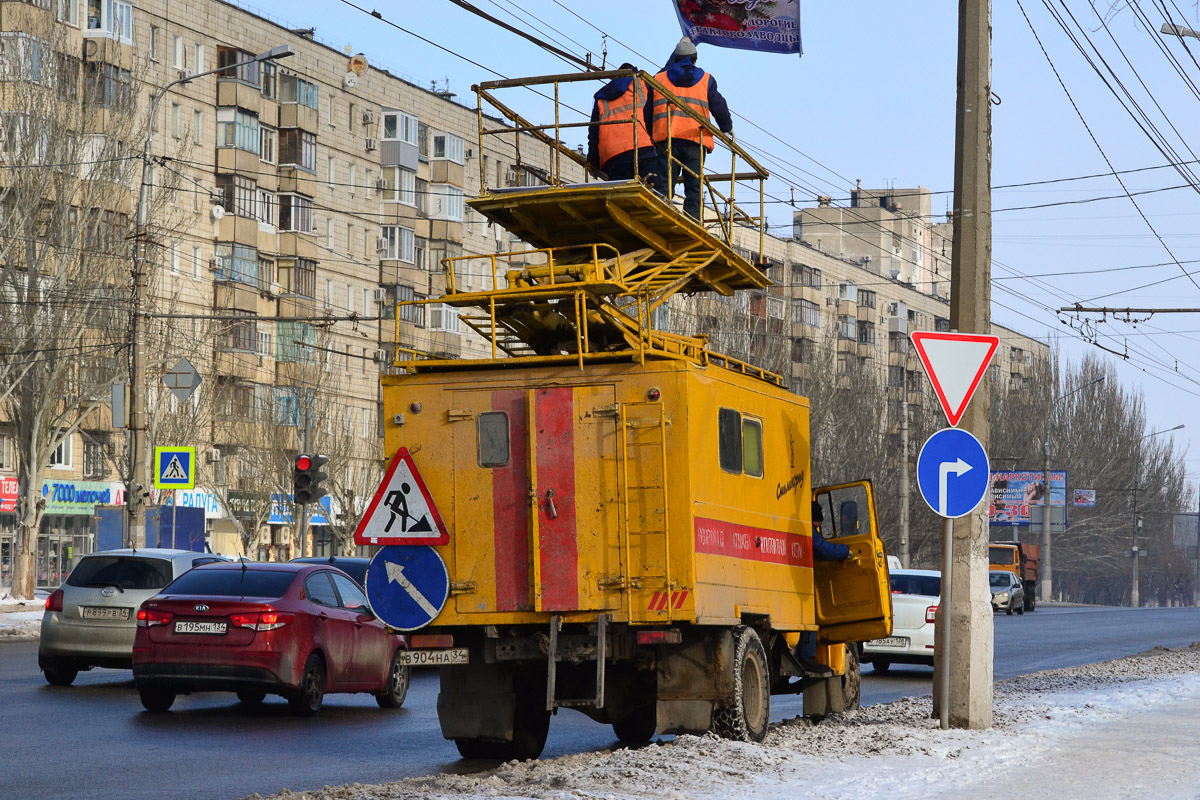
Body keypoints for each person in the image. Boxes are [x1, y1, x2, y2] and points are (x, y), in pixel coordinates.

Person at [645, 37, 734, 220]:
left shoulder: (659, 79)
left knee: (664, 185)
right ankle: (693, 219)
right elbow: (718, 105)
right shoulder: (706, 80)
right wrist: (727, 127)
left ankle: (662, 218)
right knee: (694, 186)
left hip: (667, 140)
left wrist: (652, 134)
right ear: (695, 59)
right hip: (696, 140)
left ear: (675, 59)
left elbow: (648, 112)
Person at [793, 500, 853, 678]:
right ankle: (807, 656)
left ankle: (808, 654)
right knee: (810, 614)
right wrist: (845, 551)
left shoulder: (801, 525)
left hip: (798, 578)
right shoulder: (806, 527)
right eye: (817, 522)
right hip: (799, 581)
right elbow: (821, 548)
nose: (819, 526)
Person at [586, 64, 661, 184]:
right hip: (644, 151)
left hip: (614, 158)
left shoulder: (601, 97)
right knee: (653, 192)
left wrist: (593, 162)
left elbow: (594, 134)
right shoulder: (643, 84)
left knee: (621, 197)